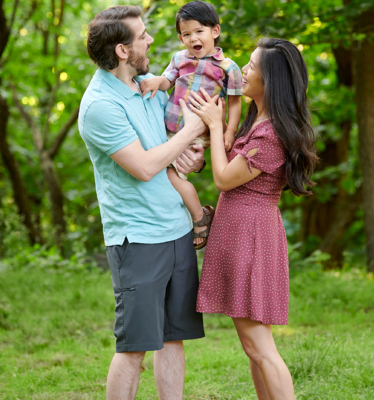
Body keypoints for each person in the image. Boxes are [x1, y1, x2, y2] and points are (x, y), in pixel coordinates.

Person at [78, 6, 212, 400]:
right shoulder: (101, 105)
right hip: (137, 240)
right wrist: (189, 132)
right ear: (122, 50)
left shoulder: (148, 87)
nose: (151, 40)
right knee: (134, 346)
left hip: (178, 230)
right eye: (143, 36)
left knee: (173, 339)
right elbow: (144, 166)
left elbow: (172, 148)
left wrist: (194, 154)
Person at [190, 38, 319, 400]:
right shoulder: (257, 120)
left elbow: (224, 178)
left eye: (250, 66)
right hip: (242, 230)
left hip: (250, 236)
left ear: (270, 81)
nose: (242, 71)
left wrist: (215, 127)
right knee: (253, 348)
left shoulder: (271, 132)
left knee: (261, 347)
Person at [140, 1, 242, 249]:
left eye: (199, 31)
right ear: (180, 38)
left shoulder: (228, 68)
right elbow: (167, 80)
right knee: (165, 174)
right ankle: (186, 219)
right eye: (187, 34)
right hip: (170, 127)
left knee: (169, 174)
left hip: (199, 132)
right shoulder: (178, 58)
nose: (193, 38)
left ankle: (200, 216)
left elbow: (235, 102)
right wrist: (156, 82)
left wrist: (229, 132)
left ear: (214, 32)